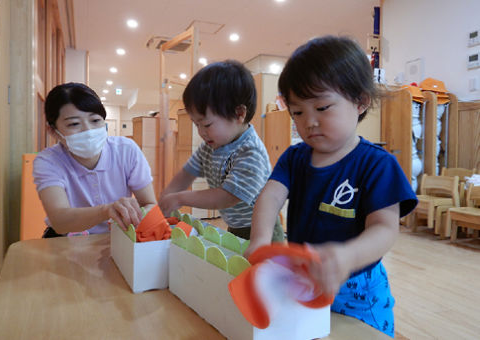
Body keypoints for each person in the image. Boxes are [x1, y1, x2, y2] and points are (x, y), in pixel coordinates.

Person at [244, 36, 417, 337]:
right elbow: (270, 195)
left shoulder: (377, 164)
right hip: (302, 279)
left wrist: (347, 256)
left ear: (360, 101)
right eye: (297, 112)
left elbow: (385, 229)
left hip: (357, 289)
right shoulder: (295, 158)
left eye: (322, 108)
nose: (308, 122)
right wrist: (259, 239)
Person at [158, 60, 284, 241]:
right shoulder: (211, 146)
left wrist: (179, 198)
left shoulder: (251, 152)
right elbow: (186, 173)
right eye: (196, 124)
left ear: (239, 114)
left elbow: (227, 197)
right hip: (236, 227)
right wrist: (167, 194)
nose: (201, 132)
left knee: (259, 269)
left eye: (207, 124)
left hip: (264, 233)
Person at [33, 82, 156, 237]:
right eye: (74, 124)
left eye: (95, 121)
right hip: (67, 241)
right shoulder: (48, 161)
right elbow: (59, 221)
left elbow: (149, 203)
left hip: (119, 237)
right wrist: (107, 211)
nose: (88, 130)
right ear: (53, 131)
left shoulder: (126, 150)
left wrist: (136, 218)